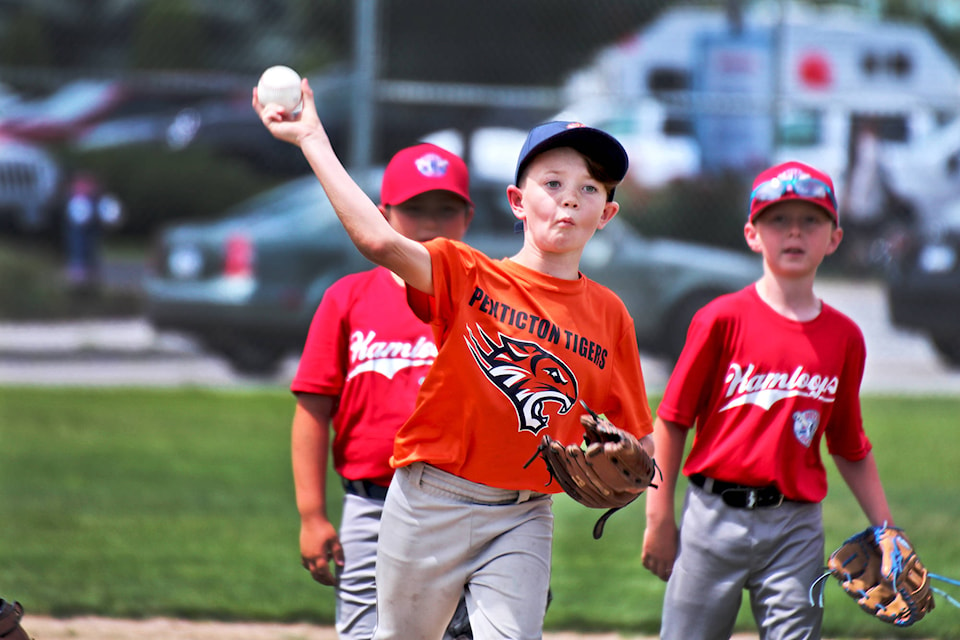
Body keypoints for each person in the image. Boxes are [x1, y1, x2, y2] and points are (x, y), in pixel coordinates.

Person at [256, 80, 655, 640]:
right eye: (553, 182)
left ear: (607, 213)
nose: (569, 198)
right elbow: (377, 241)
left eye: (589, 188)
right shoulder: (467, 273)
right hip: (429, 501)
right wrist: (313, 139)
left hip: (523, 513)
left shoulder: (610, 316)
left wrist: (633, 466)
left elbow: (639, 434)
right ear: (517, 202)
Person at [641, 160, 896, 639]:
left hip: (795, 527)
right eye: (778, 220)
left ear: (834, 238)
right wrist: (659, 519)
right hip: (711, 518)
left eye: (811, 220)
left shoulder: (844, 338)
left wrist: (886, 530)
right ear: (753, 234)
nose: (794, 232)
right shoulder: (720, 319)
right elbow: (672, 421)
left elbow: (848, 444)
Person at [290, 143, 476, 639]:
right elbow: (313, 408)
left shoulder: (490, 299)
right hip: (371, 504)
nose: (429, 222)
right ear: (382, 214)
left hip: (469, 506)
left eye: (445, 209)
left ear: (468, 217)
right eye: (414, 208)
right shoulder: (348, 299)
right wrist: (312, 515)